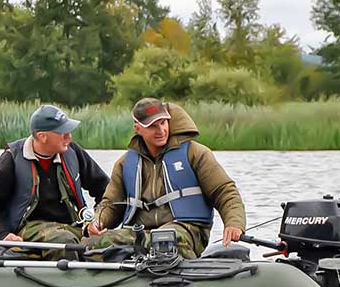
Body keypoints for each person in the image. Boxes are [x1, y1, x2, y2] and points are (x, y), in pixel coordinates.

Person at [86, 98, 246, 259]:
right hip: (140, 233)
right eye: (153, 126)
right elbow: (110, 204)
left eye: (163, 123)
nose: (161, 130)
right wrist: (97, 222)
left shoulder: (196, 154)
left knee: (163, 241)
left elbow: (225, 191)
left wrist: (234, 223)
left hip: (186, 229)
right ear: (138, 128)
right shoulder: (124, 163)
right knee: (93, 243)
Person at [0, 105, 109, 253]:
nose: (69, 137)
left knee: (121, 238)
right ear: (42, 136)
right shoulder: (11, 160)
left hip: (72, 227)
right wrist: (3, 235)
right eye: (62, 132)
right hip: (29, 229)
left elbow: (105, 189)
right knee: (64, 241)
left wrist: (97, 220)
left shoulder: (74, 152)